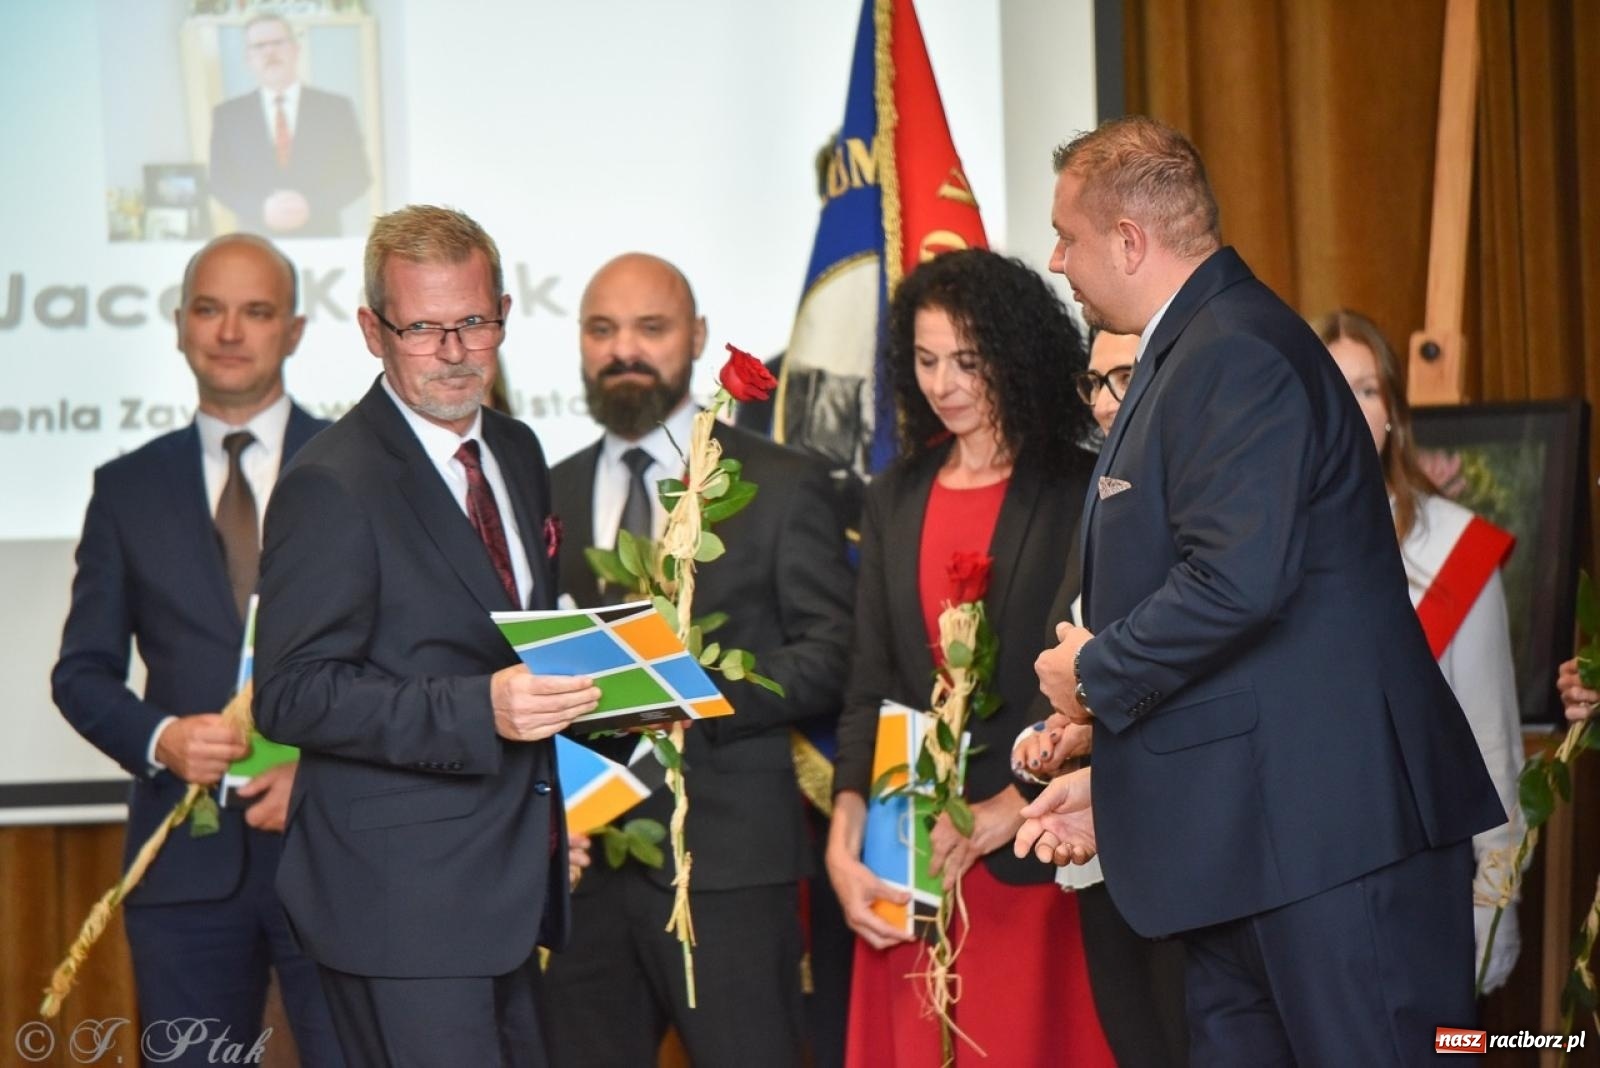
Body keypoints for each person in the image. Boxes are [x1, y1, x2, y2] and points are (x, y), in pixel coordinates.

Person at [1017, 116, 1506, 1066]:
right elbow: (1249, 643)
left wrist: (1096, 672)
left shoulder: (1233, 352)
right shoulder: (1187, 349)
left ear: (1129, 241)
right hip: (1258, 848)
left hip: (1334, 843)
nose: (1056, 258)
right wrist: (1110, 763)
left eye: (1068, 237)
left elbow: (1236, 584)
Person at [253, 205, 595, 1066]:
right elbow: (291, 693)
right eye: (423, 328)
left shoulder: (515, 450)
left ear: (505, 316)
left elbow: (511, 645)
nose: (453, 351)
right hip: (397, 907)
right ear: (374, 330)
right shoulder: (330, 483)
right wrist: (479, 709)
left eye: (473, 323)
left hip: (515, 885)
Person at [542, 252, 854, 1067]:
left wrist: (689, 693)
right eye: (602, 330)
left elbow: (832, 653)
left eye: (652, 328)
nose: (625, 351)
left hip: (729, 868)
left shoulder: (784, 483)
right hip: (581, 869)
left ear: (698, 337)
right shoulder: (542, 491)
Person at [52, 233, 342, 1065]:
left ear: (293, 329)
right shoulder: (126, 488)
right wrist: (160, 739)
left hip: (336, 851)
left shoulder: (358, 466)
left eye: (256, 311)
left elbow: (403, 660)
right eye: (210, 310)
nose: (229, 332)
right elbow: (82, 672)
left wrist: (322, 773)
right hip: (185, 864)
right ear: (180, 326)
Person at [825, 248, 1114, 1066]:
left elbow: (1082, 680)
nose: (943, 383)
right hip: (908, 851)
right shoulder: (894, 495)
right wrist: (847, 829)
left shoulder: (1076, 487)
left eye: (967, 360)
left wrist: (1000, 814)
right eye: (924, 360)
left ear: (1015, 355)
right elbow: (870, 686)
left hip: (1029, 847)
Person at [1314, 307, 1526, 993]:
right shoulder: (1263, 547)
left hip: (1422, 892)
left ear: (1393, 414)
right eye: (1331, 385)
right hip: (1307, 897)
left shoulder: (1455, 549)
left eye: (1368, 388)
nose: (1350, 405)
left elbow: (1493, 744)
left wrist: (1494, 910)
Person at [1011, 327, 1189, 1068]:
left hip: (1192, 847)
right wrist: (1047, 737)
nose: (1111, 404)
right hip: (1101, 833)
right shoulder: (1099, 496)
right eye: (1098, 383)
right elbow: (1066, 644)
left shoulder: (1200, 492)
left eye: (1128, 378)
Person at [208, 13, 372, 238]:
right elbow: (220, 182)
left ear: (295, 49)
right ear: (248, 58)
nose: (269, 52)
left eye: (277, 42)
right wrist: (261, 208)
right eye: (259, 46)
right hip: (255, 242)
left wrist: (311, 206)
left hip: (321, 240)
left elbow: (358, 175)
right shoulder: (228, 115)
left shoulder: (335, 108)